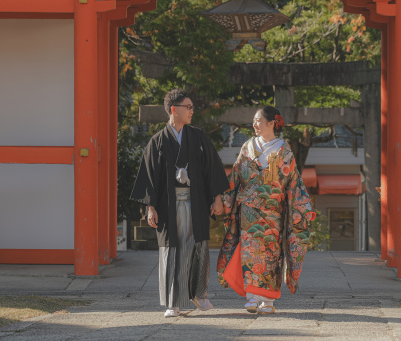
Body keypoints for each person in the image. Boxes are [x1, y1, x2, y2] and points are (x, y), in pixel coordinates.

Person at [131, 88, 229, 317]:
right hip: (168, 205)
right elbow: (149, 176)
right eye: (189, 107)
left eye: (192, 107)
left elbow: (211, 167)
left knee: (198, 247)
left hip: (195, 202)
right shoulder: (157, 142)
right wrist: (150, 207)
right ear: (174, 109)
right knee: (171, 251)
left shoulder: (198, 137)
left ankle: (199, 295)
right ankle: (172, 302)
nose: (192, 111)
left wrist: (217, 198)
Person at [217, 106, 314, 314]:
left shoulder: (284, 150)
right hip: (248, 214)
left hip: (273, 213)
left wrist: (302, 208)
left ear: (271, 123)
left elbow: (294, 184)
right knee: (250, 253)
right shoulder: (247, 147)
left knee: (271, 255)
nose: (254, 124)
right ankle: (252, 297)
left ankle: (268, 301)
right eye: (253, 120)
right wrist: (221, 200)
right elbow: (235, 177)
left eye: (258, 120)